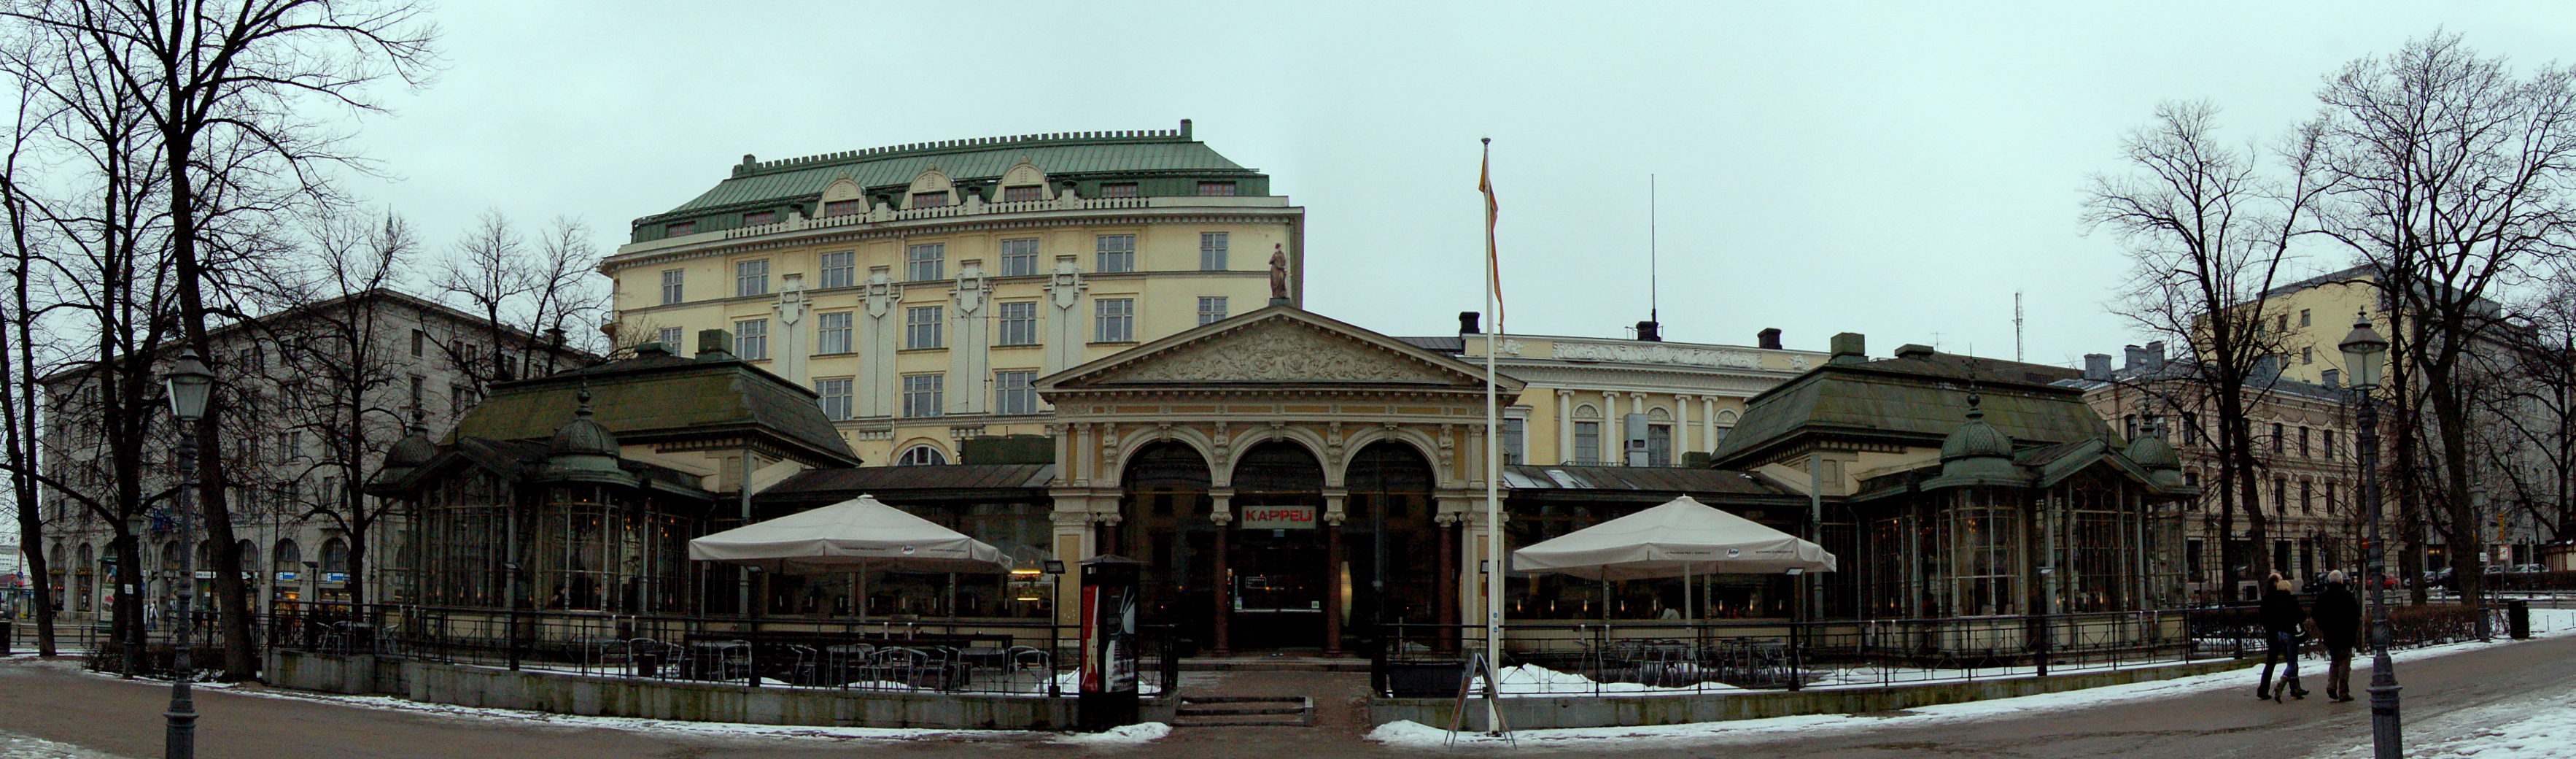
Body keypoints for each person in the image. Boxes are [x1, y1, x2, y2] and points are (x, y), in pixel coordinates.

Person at [2313, 570, 2363, 703]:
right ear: (2341, 581)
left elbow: (2316, 614)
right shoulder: (2348, 596)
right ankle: (2343, 691)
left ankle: (2331, 685)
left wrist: (2323, 627)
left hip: (2330, 635)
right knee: (2345, 663)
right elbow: (2355, 616)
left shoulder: (2322, 597)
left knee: (2334, 661)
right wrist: (2353, 631)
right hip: (2346, 635)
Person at [2257, 572, 2308, 701]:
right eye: (2280, 580)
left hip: (2273, 633)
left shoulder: (2267, 597)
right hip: (2284, 632)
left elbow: (2264, 616)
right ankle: (2294, 687)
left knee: (2271, 663)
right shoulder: (2282, 597)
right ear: (2275, 582)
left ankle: (2263, 689)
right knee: (2291, 662)